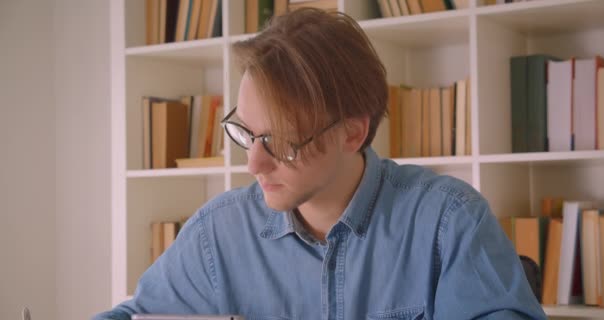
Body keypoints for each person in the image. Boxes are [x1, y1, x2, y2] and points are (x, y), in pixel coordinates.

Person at [94, 8, 546, 320]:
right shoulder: (218, 234)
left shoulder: (448, 221)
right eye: (245, 133)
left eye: (282, 143)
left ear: (352, 132)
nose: (253, 164)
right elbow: (136, 316)